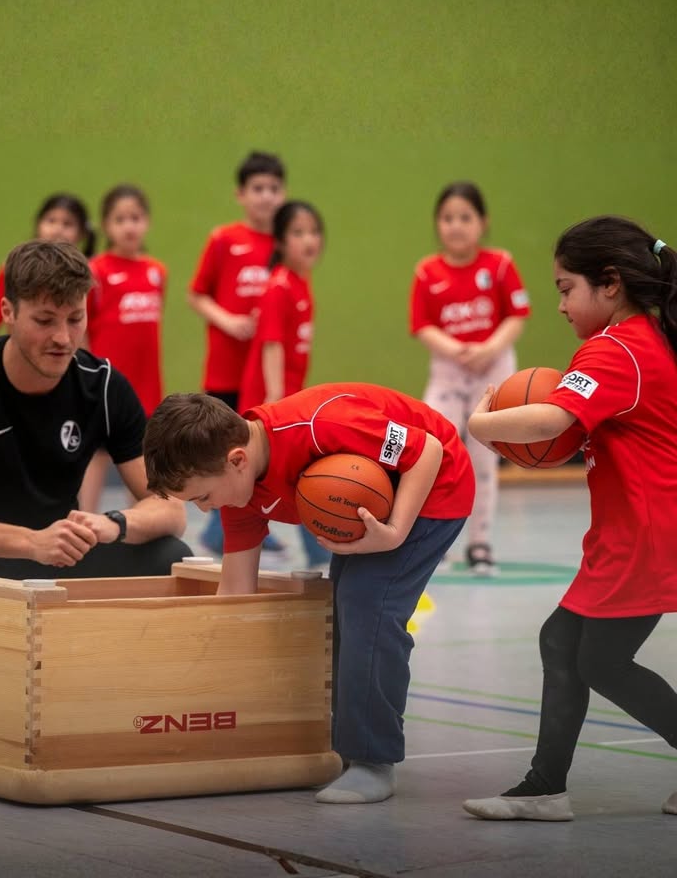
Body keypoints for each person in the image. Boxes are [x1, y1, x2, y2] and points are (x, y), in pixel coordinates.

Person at [143, 384, 475, 803]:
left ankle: (373, 761)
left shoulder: (320, 427)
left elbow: (425, 449)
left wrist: (393, 535)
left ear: (237, 460)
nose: (204, 510)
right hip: (378, 506)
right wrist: (202, 676)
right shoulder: (238, 491)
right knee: (340, 608)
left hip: (433, 488)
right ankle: (345, 747)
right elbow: (236, 593)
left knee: (367, 607)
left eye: (203, 498)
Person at [463, 215, 677, 822]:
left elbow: (551, 419)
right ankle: (545, 788)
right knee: (562, 641)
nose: (558, 304)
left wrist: (480, 424)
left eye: (564, 287)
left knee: (598, 660)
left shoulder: (615, 349)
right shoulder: (649, 338)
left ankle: (543, 787)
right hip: (632, 529)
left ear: (609, 283)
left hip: (645, 533)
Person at [0, 240, 190, 580]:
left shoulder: (104, 387)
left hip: (58, 562)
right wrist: (31, 542)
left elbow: (171, 507)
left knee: (171, 557)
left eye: (75, 319)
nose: (63, 338)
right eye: (45, 320)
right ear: (8, 312)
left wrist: (113, 524)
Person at [409, 181, 530, 576]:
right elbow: (422, 324)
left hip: (492, 369)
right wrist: (454, 348)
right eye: (447, 218)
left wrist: (489, 348)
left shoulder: (499, 264)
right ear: (436, 224)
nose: (456, 225)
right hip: (448, 369)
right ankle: (434, 543)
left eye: (465, 217)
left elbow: (516, 315)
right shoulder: (427, 271)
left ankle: (480, 545)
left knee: (483, 459)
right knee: (433, 450)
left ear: (483, 222)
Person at [187, 150, 287, 555]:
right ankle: (219, 525)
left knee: (259, 451)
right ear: (241, 194)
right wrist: (228, 321)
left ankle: (256, 520)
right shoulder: (225, 239)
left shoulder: (284, 244)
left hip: (262, 373)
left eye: (273, 189)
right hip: (226, 371)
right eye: (257, 189)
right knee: (221, 452)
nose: (265, 197)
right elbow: (197, 294)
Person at [238, 200, 329, 569]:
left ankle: (215, 530)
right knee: (300, 471)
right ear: (279, 241)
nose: (308, 239)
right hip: (272, 398)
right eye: (297, 232)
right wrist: (275, 397)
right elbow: (272, 343)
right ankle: (319, 547)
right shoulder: (279, 287)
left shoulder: (300, 283)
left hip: (287, 395)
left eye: (313, 231)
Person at [79, 185, 167, 511]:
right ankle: (84, 519)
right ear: (105, 225)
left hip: (146, 383)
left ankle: (139, 522)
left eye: (136, 217)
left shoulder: (157, 271)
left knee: (141, 454)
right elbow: (82, 327)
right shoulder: (95, 271)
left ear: (147, 222)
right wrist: (87, 373)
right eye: (120, 219)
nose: (129, 226)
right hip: (106, 382)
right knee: (98, 452)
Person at [0, 193, 96, 340]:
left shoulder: (90, 275)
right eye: (51, 221)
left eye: (67, 224)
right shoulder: (14, 270)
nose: (57, 229)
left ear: (82, 233)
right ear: (38, 224)